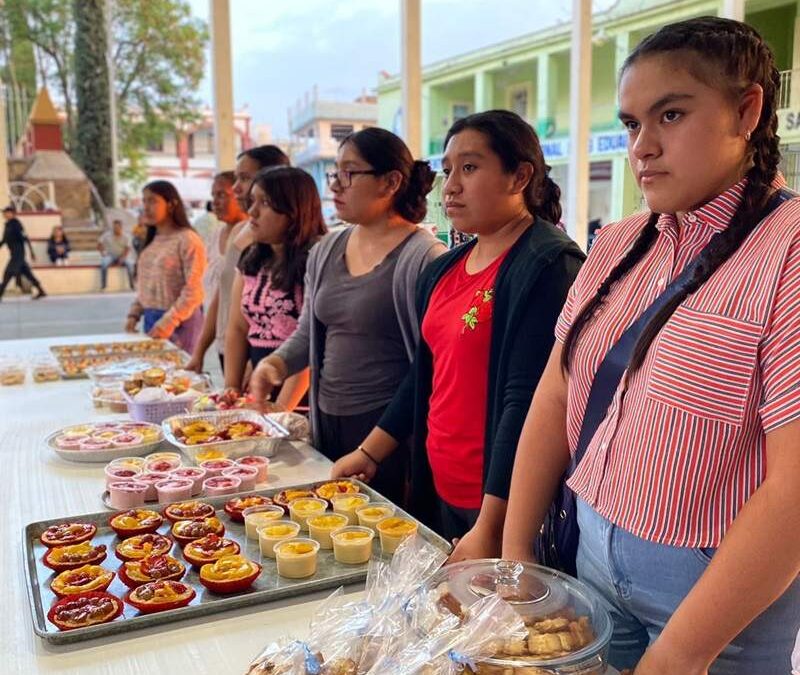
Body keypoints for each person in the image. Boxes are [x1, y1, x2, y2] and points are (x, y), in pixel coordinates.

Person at [502, 17, 800, 675]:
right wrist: (517, 545)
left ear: (747, 109)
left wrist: (682, 653)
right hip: (589, 561)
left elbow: (794, 489)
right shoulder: (616, 243)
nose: (643, 146)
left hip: (715, 610)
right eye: (634, 123)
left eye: (670, 114)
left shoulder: (788, 252)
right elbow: (558, 390)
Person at [330, 111, 583, 555]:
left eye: (469, 168)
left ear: (519, 175)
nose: (450, 187)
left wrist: (491, 525)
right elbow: (423, 375)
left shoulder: (545, 265)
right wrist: (370, 453)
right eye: (448, 171)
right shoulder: (445, 269)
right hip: (442, 485)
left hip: (501, 504)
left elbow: (525, 402)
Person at [250, 127, 446, 506]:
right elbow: (310, 331)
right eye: (334, 174)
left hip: (389, 432)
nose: (335, 186)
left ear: (391, 182)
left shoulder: (423, 258)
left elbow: (429, 364)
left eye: (349, 174)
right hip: (328, 419)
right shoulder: (327, 249)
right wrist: (272, 366)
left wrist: (382, 444)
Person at [223, 166, 327, 406]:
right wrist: (231, 386)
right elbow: (237, 327)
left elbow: (310, 341)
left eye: (265, 203)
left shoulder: (315, 259)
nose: (252, 212)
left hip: (301, 395)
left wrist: (282, 409)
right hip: (260, 386)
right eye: (251, 202)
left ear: (294, 210)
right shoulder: (252, 259)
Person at [186, 146, 290, 375]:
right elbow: (223, 295)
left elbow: (286, 318)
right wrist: (200, 350)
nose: (235, 188)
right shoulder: (239, 232)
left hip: (263, 359)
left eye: (244, 178)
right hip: (230, 349)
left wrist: (254, 361)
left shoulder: (277, 239)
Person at [125, 181, 206, 352]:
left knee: (179, 377)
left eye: (152, 201)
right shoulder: (151, 242)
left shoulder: (188, 240)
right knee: (154, 375)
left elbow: (194, 290)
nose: (146, 207)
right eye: (144, 201)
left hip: (181, 322)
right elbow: (146, 286)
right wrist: (134, 313)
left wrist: (170, 321)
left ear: (171, 204)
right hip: (151, 319)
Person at [0, 205, 46, 300]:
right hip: (14, 253)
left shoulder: (16, 224)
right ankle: (41, 291)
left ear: (12, 213)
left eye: (6, 212)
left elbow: (25, 238)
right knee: (27, 273)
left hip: (18, 254)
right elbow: (4, 240)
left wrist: (31, 252)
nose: (4, 214)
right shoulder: (8, 225)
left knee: (8, 273)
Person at [98, 219, 134, 290]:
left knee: (130, 265)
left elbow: (127, 248)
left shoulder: (126, 236)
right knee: (104, 264)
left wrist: (123, 257)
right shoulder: (107, 235)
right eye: (114, 227)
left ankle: (132, 285)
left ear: (121, 228)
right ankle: (103, 285)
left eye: (117, 228)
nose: (115, 229)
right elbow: (99, 244)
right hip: (110, 255)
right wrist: (102, 253)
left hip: (122, 255)